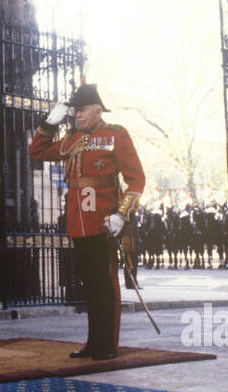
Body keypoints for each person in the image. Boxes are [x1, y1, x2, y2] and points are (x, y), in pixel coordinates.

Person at [29, 84, 146, 360]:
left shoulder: (116, 135)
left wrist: (121, 213)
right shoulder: (71, 139)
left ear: (97, 110)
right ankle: (94, 342)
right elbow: (37, 152)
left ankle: (108, 344)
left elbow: (137, 179)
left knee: (105, 285)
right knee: (90, 285)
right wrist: (48, 123)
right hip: (77, 222)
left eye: (82, 110)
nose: (77, 116)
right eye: (75, 111)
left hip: (104, 221)